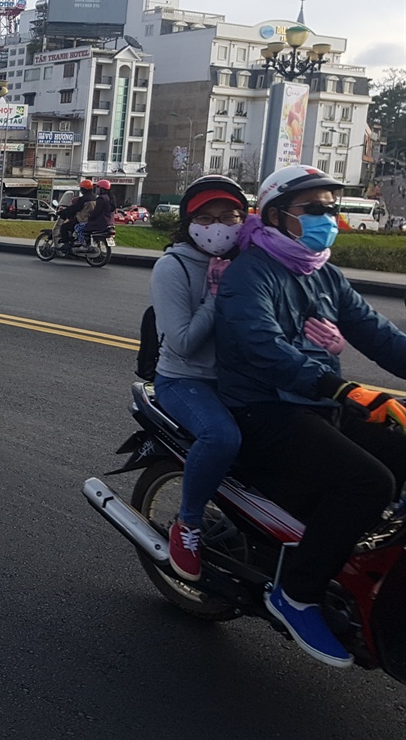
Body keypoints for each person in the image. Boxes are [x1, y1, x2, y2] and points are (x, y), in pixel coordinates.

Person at [215, 164, 406, 669]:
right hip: (266, 411)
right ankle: (297, 592)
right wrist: (338, 386)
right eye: (316, 209)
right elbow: (262, 347)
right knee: (370, 482)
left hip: (320, 402)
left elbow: (377, 334)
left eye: (333, 208)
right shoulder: (247, 274)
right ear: (276, 215)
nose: (329, 218)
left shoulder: (321, 271)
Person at [150, 176, 250, 581]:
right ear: (188, 223)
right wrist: (214, 296)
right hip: (184, 380)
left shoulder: (249, 261)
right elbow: (184, 342)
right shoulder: (171, 267)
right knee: (222, 437)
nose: (218, 226)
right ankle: (187, 524)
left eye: (229, 216)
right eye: (206, 217)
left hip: (240, 380)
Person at [57, 179, 95, 250]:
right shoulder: (94, 198)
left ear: (84, 189)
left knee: (64, 227)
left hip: (82, 219)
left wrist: (63, 212)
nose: (80, 190)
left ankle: (66, 244)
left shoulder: (84, 199)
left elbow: (74, 208)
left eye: (81, 188)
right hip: (90, 219)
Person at [81, 178, 116, 243]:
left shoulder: (102, 198)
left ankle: (85, 245)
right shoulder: (111, 198)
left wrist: (89, 218)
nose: (96, 190)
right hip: (110, 223)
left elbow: (96, 211)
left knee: (80, 227)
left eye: (98, 188)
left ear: (102, 189)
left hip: (101, 223)